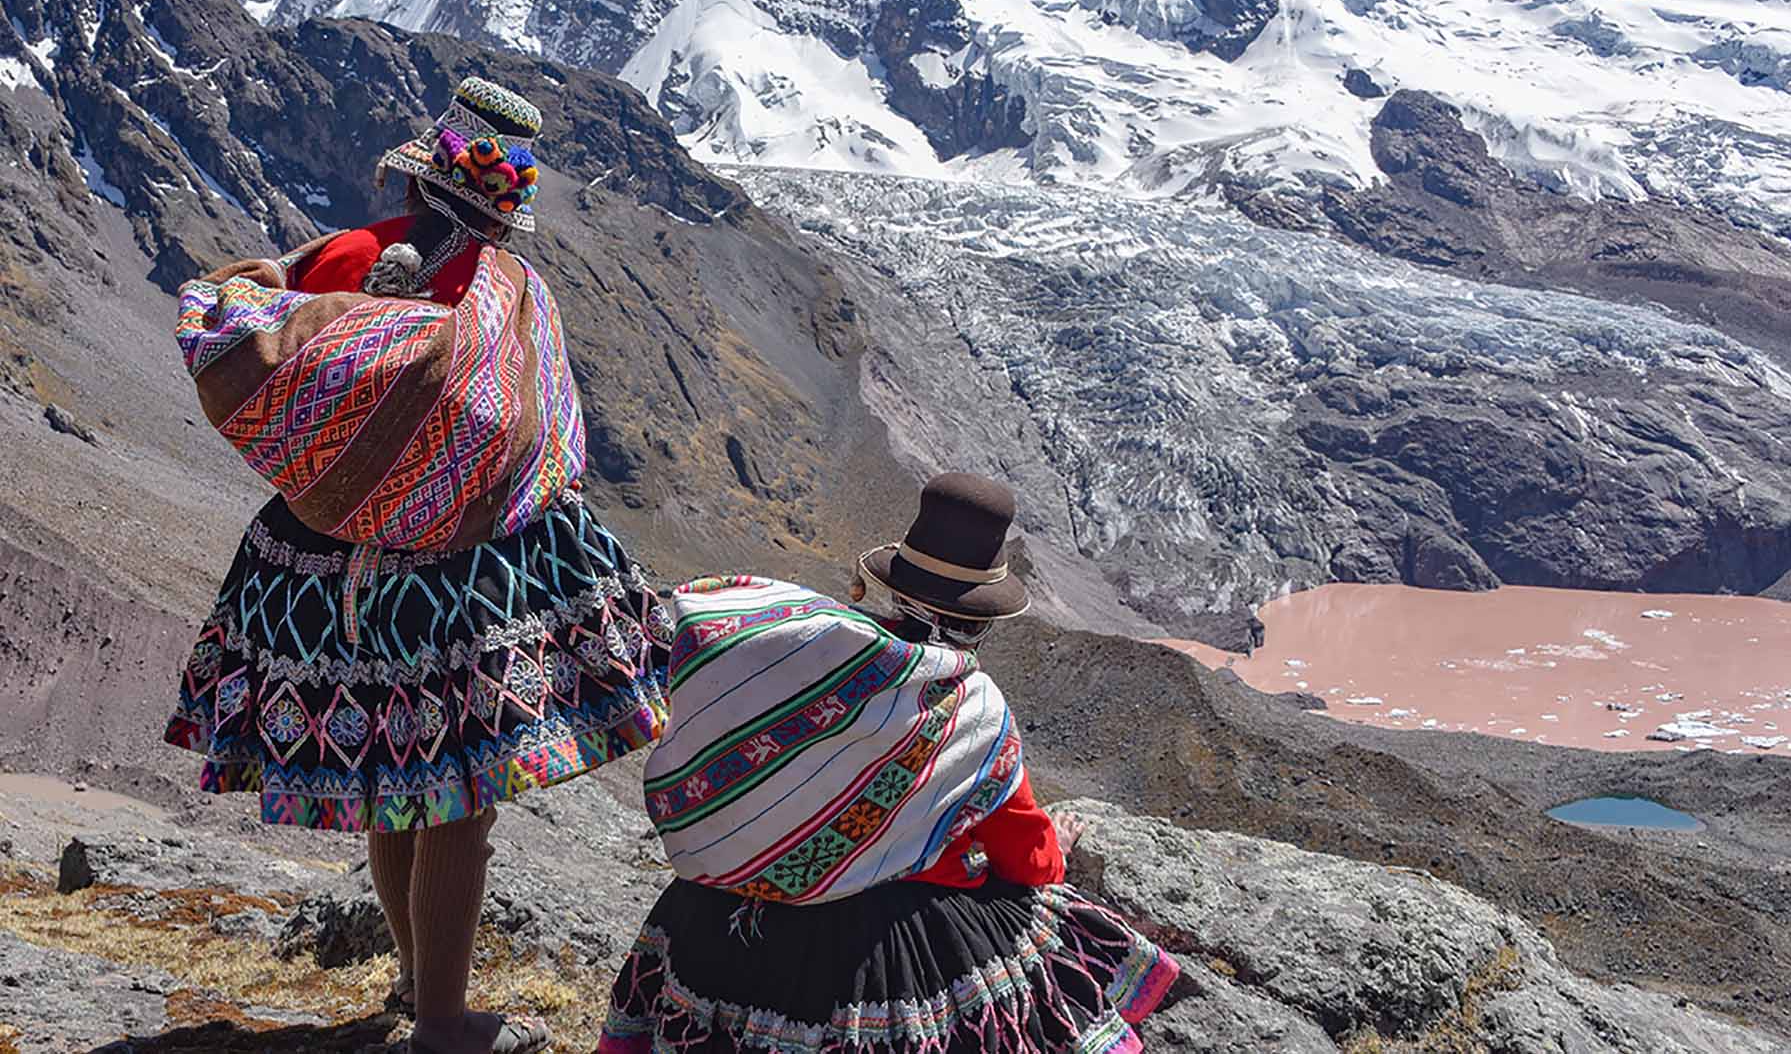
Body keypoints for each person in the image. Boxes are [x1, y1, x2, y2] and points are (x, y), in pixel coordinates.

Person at [167, 77, 672, 1054]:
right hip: (464, 580)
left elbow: (253, 332)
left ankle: (415, 988)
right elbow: (545, 442)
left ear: (427, 174)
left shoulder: (356, 253)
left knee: (394, 778)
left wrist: (361, 459)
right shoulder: (517, 296)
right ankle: (443, 1022)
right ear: (509, 200)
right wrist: (451, 479)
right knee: (456, 803)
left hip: (325, 573)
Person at [599, 473, 1178, 1054]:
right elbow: (1028, 862)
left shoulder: (809, 658)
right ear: (982, 622)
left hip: (726, 915)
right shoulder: (974, 710)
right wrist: (1054, 848)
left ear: (896, 591)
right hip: (879, 951)